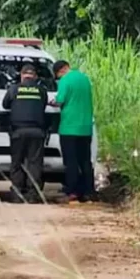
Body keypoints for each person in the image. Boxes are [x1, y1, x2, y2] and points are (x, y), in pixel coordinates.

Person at [2, 64, 49, 203]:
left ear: (22, 75)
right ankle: (32, 195)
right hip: (37, 132)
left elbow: (5, 105)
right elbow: (44, 104)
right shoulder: (41, 90)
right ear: (34, 76)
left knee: (17, 163)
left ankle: (17, 194)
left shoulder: (14, 89)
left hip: (18, 131)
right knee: (34, 163)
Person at [51, 60, 95, 203]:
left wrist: (51, 102)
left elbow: (59, 101)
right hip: (85, 127)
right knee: (85, 161)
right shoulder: (84, 78)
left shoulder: (65, 80)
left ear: (60, 71)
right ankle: (88, 191)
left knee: (71, 161)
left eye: (57, 76)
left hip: (69, 127)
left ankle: (72, 191)